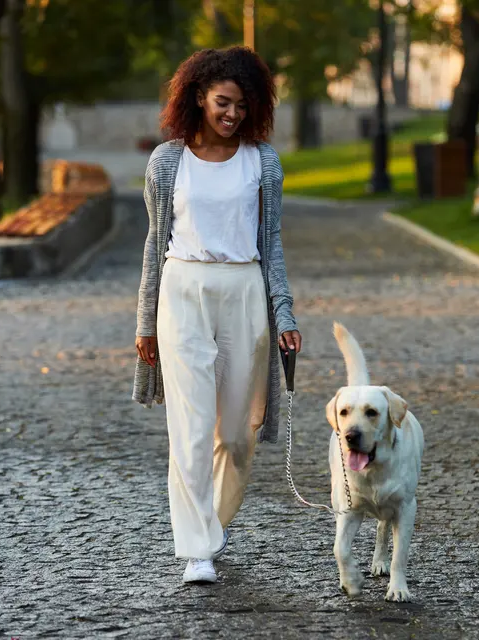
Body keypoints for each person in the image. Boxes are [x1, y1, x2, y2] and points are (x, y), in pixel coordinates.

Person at [132, 47, 302, 584]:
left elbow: (270, 242)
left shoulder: (263, 162)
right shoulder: (167, 161)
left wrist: (285, 311)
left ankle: (213, 523)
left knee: (235, 433)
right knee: (189, 427)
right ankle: (197, 549)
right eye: (223, 102)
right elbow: (154, 242)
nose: (232, 114)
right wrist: (144, 321)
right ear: (198, 98)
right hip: (181, 291)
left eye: (243, 105)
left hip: (244, 291)